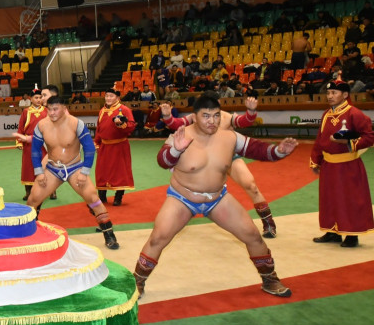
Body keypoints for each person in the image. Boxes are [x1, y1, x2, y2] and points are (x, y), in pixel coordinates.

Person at [132, 94, 298, 299]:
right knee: (157, 239)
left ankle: (270, 280)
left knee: (253, 236)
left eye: (216, 116)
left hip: (217, 198)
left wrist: (279, 151)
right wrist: (176, 149)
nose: (212, 121)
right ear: (195, 117)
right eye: (206, 116)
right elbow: (162, 161)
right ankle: (137, 282)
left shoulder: (230, 137)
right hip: (181, 198)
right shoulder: (181, 135)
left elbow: (259, 150)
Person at [159, 93, 278, 238]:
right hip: (204, 159)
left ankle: (268, 223)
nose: (211, 118)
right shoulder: (196, 117)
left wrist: (251, 111)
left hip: (228, 157)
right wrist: (167, 116)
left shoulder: (226, 116)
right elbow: (176, 124)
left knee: (251, 185)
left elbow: (244, 122)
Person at [20, 95, 120, 250]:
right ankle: (29, 233)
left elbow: (89, 148)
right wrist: (39, 172)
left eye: (55, 109)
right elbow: (35, 151)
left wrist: (84, 172)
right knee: (33, 198)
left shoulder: (76, 123)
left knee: (93, 199)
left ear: (64, 108)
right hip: (53, 168)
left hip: (75, 168)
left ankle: (109, 235)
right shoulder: (42, 125)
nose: (52, 113)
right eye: (49, 109)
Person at [310, 81, 374, 248]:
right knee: (329, 199)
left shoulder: (355, 114)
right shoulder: (326, 114)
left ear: (345, 95)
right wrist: (316, 159)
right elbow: (320, 139)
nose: (330, 96)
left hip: (348, 165)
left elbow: (369, 137)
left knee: (350, 199)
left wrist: (348, 142)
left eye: (334, 93)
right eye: (328, 93)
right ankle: (333, 232)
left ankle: (352, 235)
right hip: (328, 165)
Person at [13, 85, 56, 201]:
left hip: (44, 144)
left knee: (47, 167)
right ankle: (28, 192)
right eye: (36, 98)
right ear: (31, 99)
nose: (38, 100)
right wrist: (19, 142)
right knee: (28, 168)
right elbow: (21, 128)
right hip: (29, 145)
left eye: (40, 97)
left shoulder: (46, 111)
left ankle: (52, 190)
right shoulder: (26, 112)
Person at [94, 88, 136, 206]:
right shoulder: (102, 111)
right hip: (104, 146)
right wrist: (97, 143)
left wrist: (121, 124)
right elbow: (99, 129)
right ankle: (102, 197)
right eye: (106, 96)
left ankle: (118, 197)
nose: (108, 98)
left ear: (117, 98)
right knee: (102, 171)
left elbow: (131, 126)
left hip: (119, 146)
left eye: (111, 96)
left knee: (120, 172)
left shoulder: (125, 110)